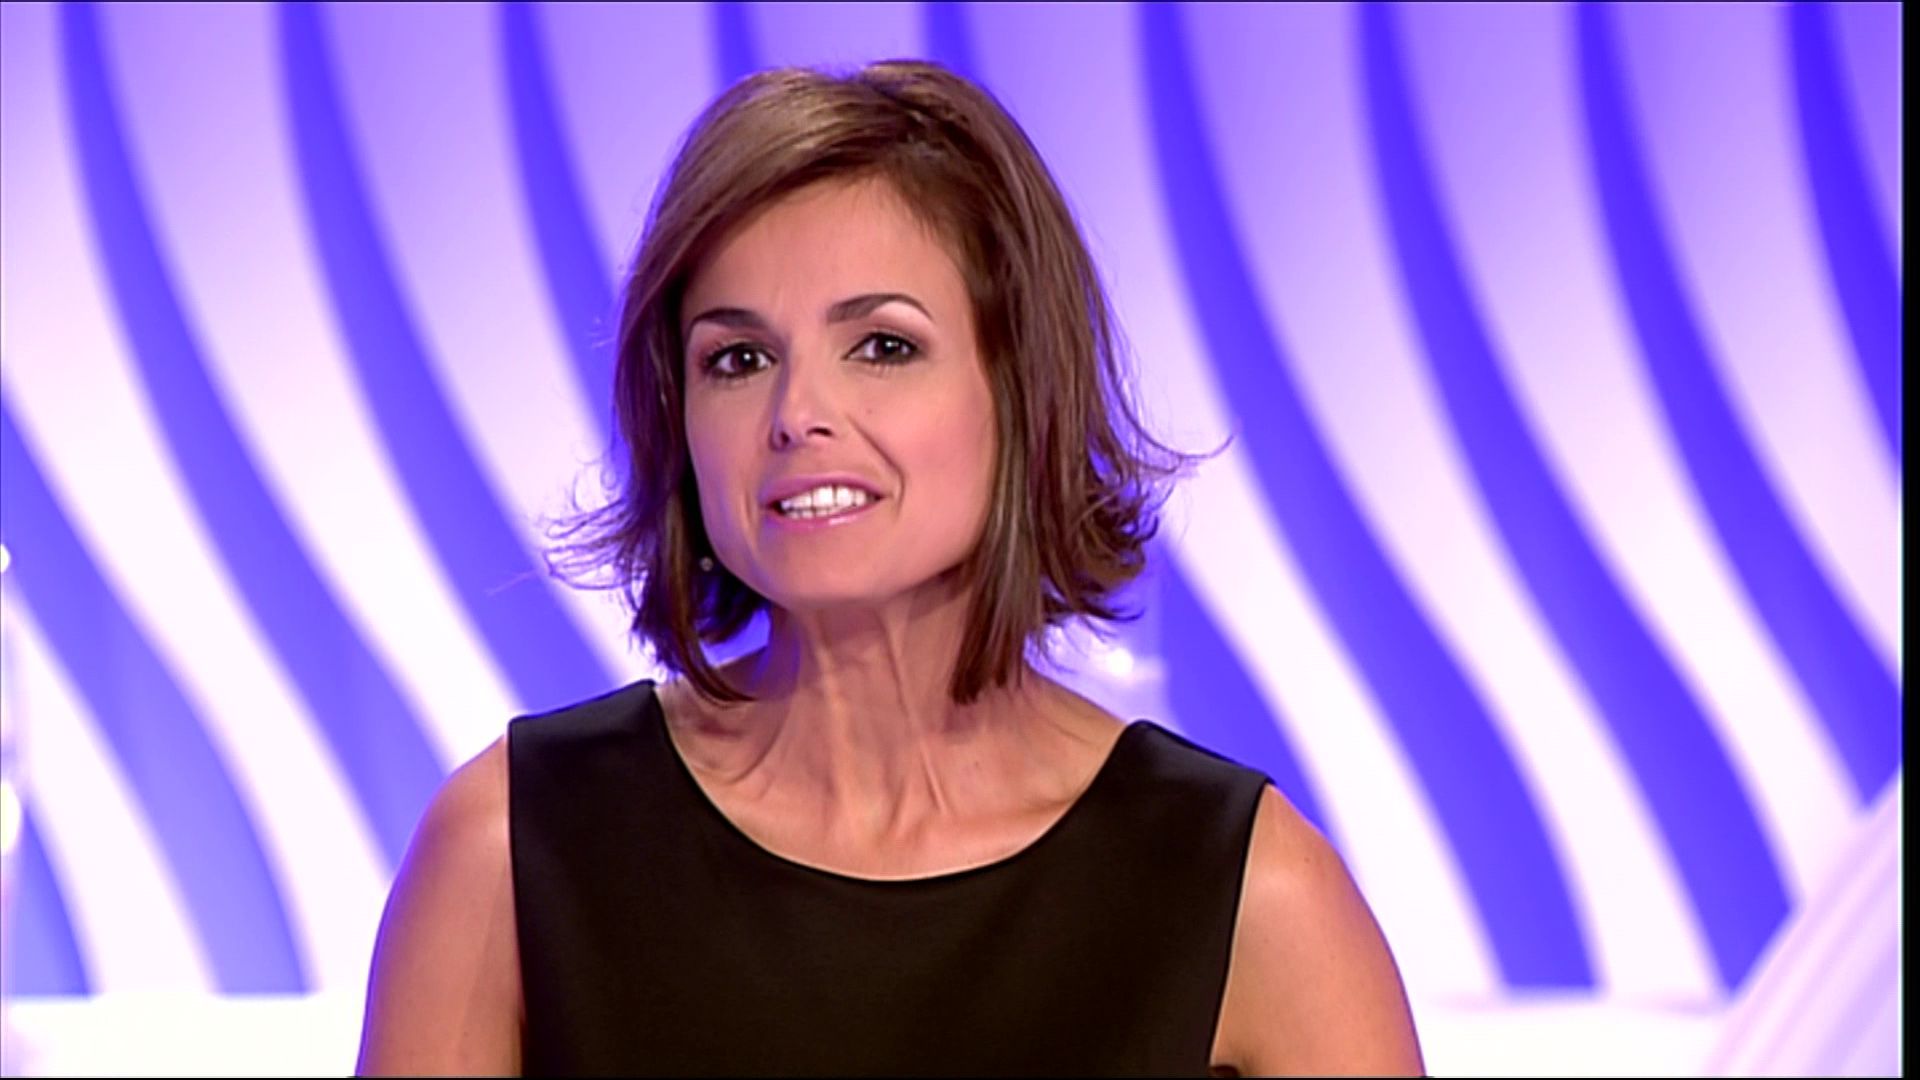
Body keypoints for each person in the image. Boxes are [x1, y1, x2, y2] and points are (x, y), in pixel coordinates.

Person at [354, 60, 1422, 1078]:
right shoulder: (509, 851)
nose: (797, 414)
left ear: (1021, 390)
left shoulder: (1251, 894)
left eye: (882, 346)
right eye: (738, 359)